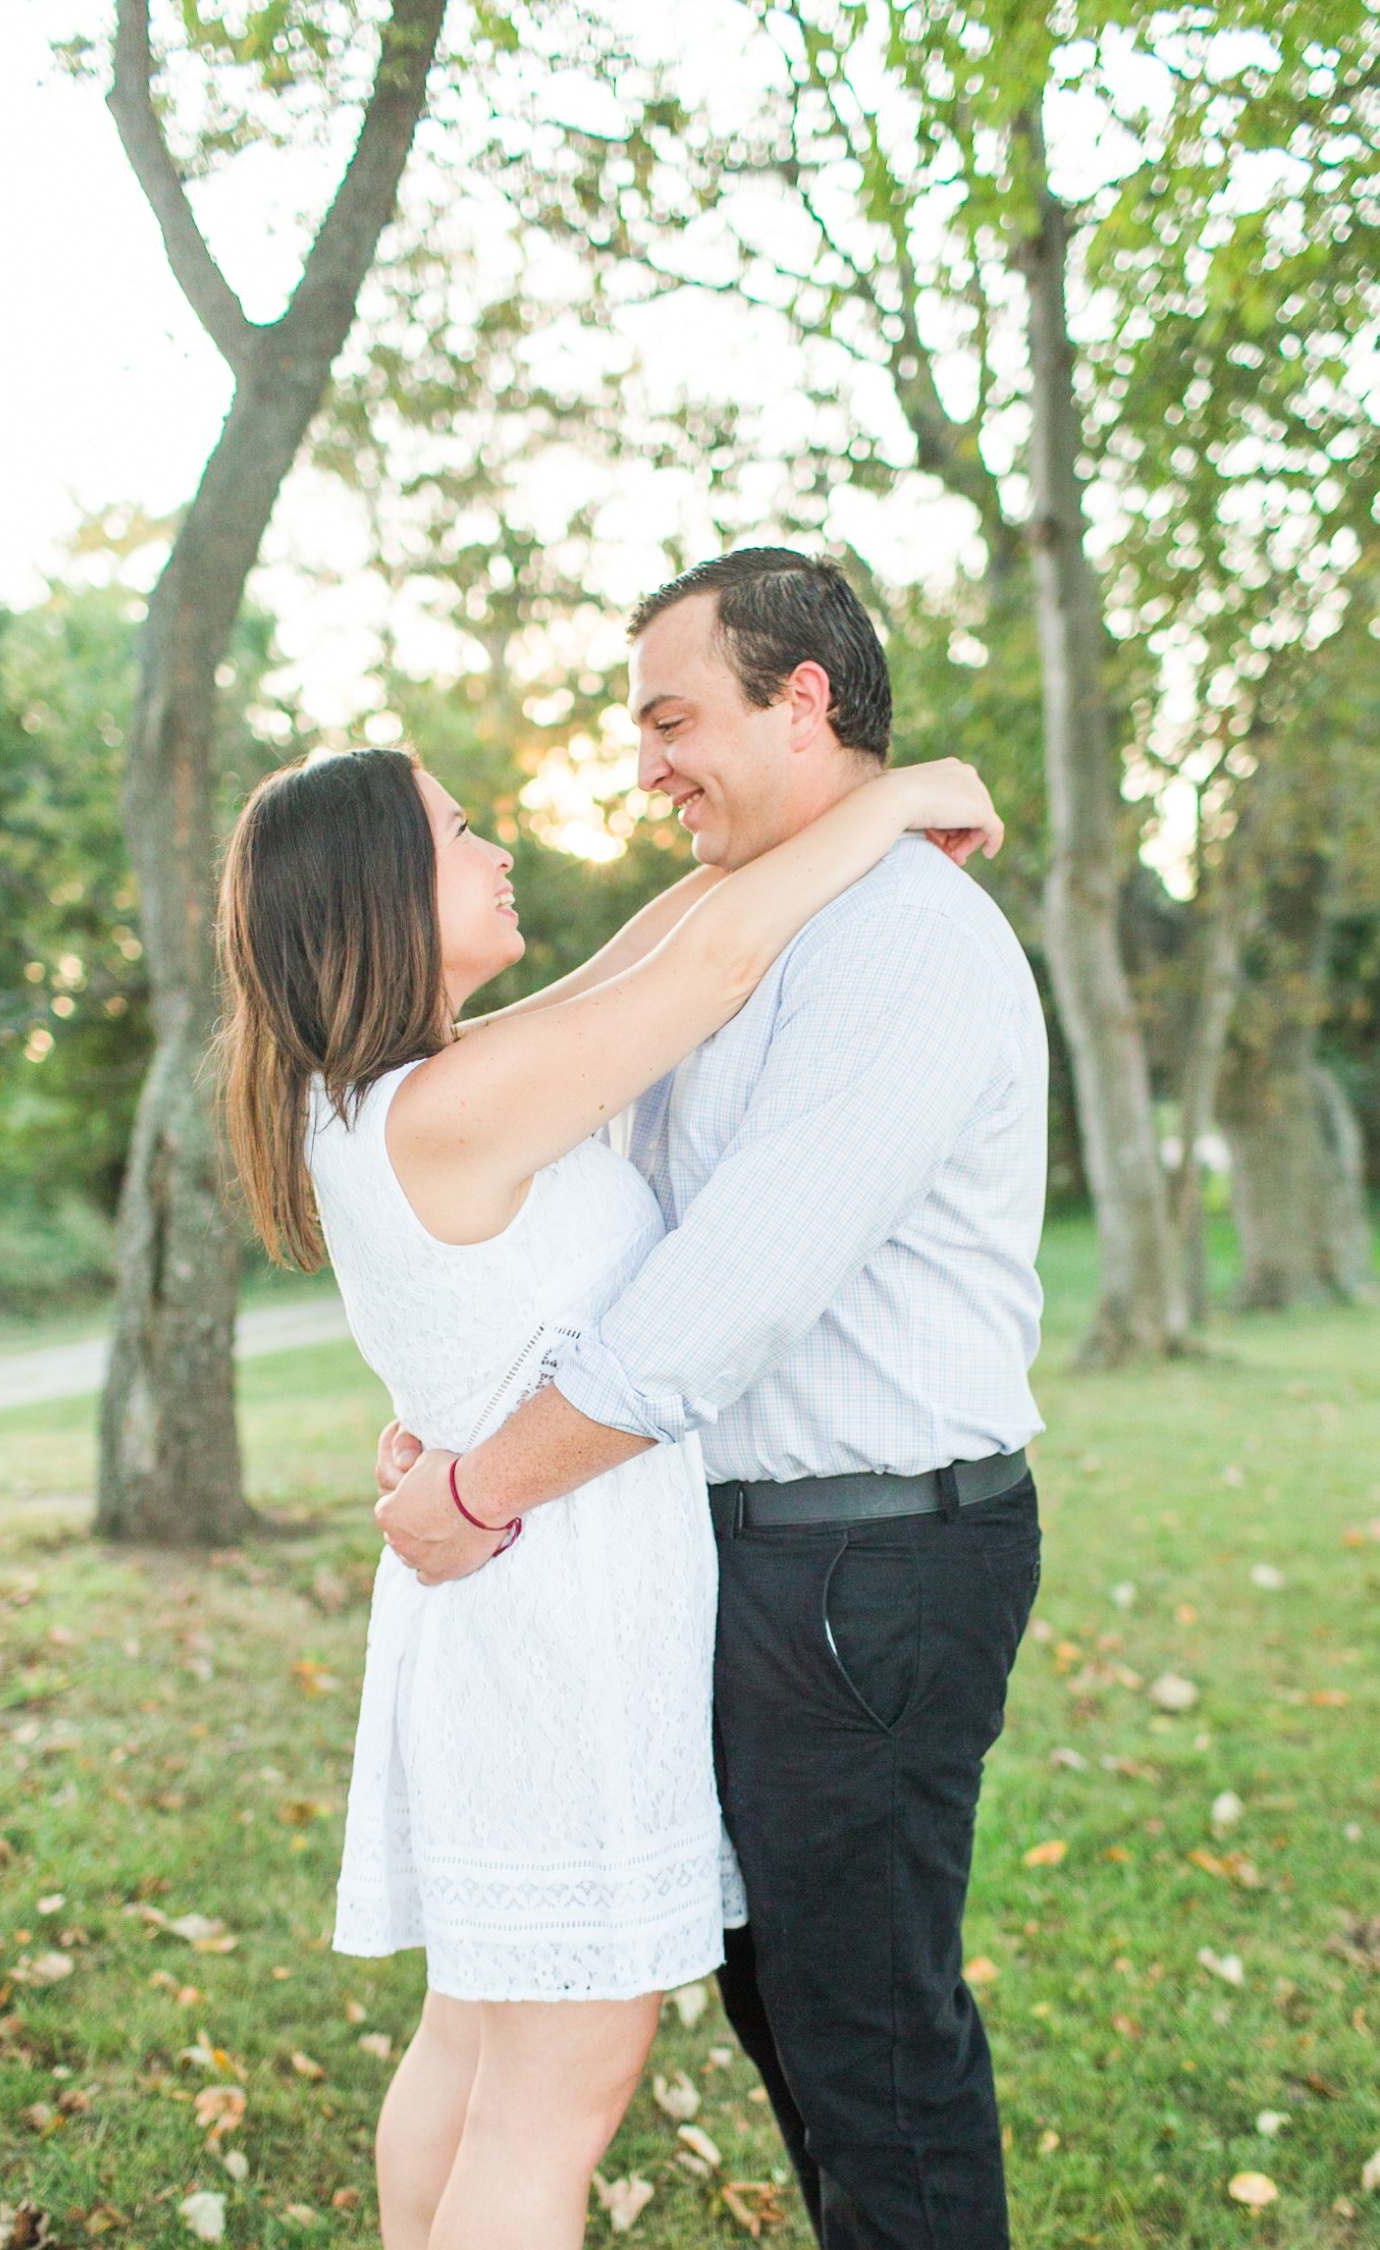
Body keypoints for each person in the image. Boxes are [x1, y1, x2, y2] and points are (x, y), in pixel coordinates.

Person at [216, 717, 1001, 2250]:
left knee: (477, 2045)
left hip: (498, 1620)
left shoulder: (385, 1096)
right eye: (458, 835)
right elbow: (701, 981)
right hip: (555, 1637)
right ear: (380, 898)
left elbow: (664, 941)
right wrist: (899, 797)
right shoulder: (455, 1105)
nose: (499, 849)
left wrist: (785, 839)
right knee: (555, 2090)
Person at [377, 548, 1049, 2250]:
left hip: (868, 1569)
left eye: (674, 718)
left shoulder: (902, 943)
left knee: (873, 2054)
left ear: (802, 698)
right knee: (805, 2039)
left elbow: (706, 1307)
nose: (647, 759)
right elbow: (600, 1080)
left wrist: (479, 1490)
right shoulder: (764, 920)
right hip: (746, 1567)